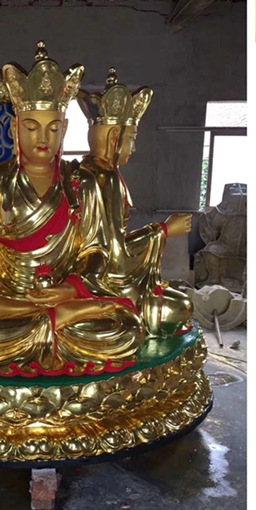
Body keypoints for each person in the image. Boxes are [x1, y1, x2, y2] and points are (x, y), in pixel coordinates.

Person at [0, 43, 145, 376]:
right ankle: (51, 323)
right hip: (8, 302)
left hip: (65, 299)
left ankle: (52, 320)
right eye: (31, 127)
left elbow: (98, 252)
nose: (43, 138)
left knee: (128, 327)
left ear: (64, 129)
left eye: (53, 129)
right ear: (15, 129)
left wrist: (71, 289)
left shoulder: (82, 183)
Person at [77, 68, 193, 337]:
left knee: (176, 301)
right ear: (113, 139)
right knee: (180, 307)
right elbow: (113, 256)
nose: (134, 148)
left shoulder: (88, 171)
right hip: (100, 283)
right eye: (131, 139)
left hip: (89, 278)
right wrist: (164, 230)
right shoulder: (105, 179)